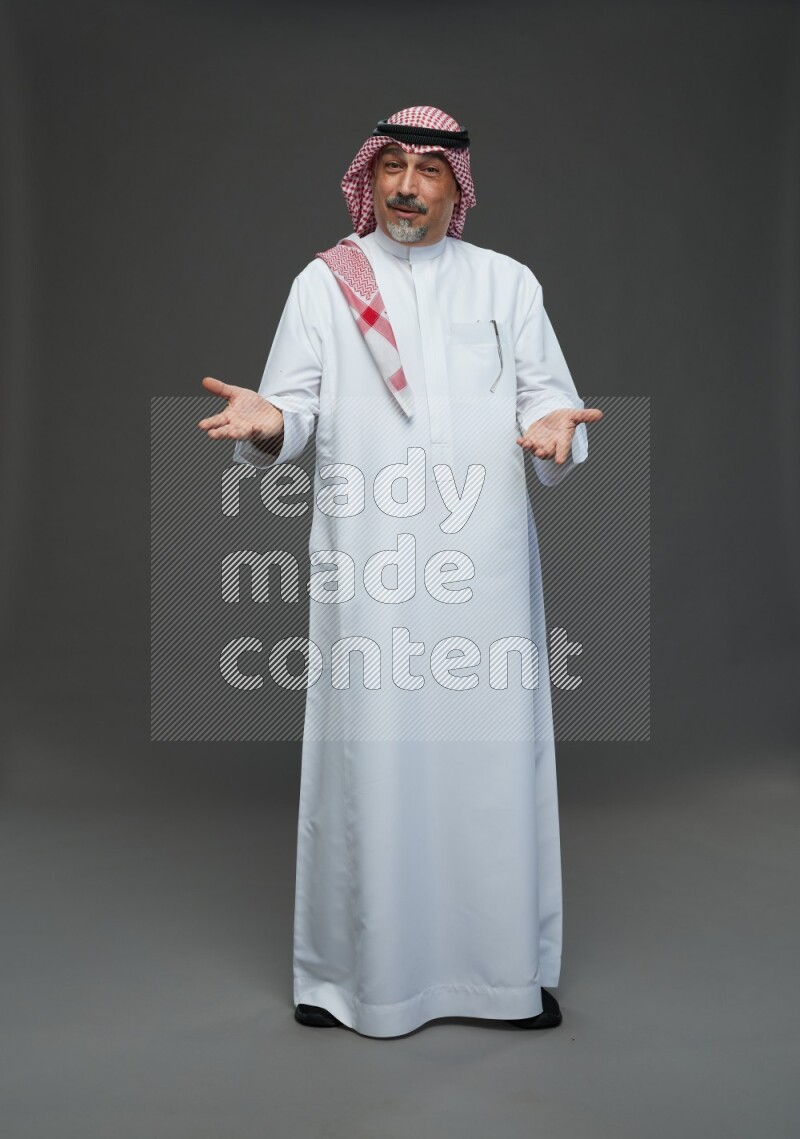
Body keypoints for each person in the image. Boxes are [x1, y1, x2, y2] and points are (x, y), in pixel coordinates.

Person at [198, 106, 603, 1038]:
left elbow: (548, 395)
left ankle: (504, 977)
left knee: (489, 761)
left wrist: (553, 433)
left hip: (485, 568)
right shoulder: (324, 285)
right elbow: (290, 405)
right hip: (370, 567)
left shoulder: (506, 284)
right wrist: (271, 426)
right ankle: (354, 979)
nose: (408, 185)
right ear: (368, 177)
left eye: (428, 169)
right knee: (369, 760)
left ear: (458, 186)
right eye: (392, 166)